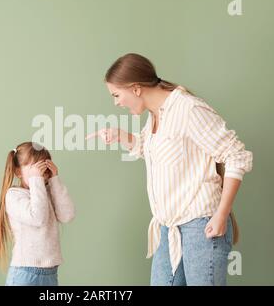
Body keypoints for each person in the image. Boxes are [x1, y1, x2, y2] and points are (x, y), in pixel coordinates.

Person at [87, 53, 253, 285]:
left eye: (116, 95)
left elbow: (236, 155)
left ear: (135, 88)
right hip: (169, 228)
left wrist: (221, 214)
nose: (116, 102)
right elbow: (157, 151)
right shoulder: (157, 114)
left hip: (200, 227)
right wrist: (120, 136)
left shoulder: (188, 109)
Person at [0, 142, 75, 286]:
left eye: (44, 166)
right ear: (18, 171)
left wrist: (54, 179)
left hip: (50, 273)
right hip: (25, 274)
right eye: (35, 168)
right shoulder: (14, 195)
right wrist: (36, 180)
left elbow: (67, 215)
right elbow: (37, 217)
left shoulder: (46, 192)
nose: (41, 172)